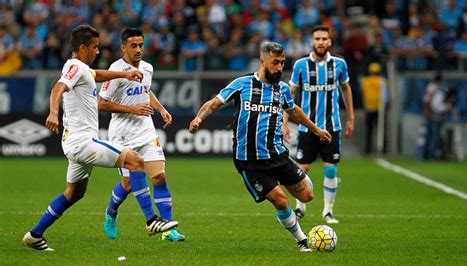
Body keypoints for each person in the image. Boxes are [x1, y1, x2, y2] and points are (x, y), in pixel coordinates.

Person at [22, 25, 178, 251]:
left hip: (75, 143)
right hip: (82, 141)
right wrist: (54, 112)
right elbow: (58, 88)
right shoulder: (74, 66)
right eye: (94, 47)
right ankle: (151, 221)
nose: (97, 51)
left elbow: (98, 75)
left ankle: (35, 234)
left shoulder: (84, 69)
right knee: (135, 161)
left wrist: (125, 74)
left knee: (74, 194)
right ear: (83, 47)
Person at [188, 42, 332, 252]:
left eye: (282, 63)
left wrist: (316, 129)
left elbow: (293, 111)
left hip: (278, 156)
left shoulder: (281, 89)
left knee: (307, 196)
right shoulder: (242, 84)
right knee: (281, 201)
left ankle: (297, 176)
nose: (280, 67)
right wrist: (198, 119)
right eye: (275, 63)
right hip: (250, 162)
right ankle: (302, 240)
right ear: (262, 62)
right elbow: (214, 103)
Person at [98, 28, 185, 241]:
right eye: (133, 46)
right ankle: (111, 212)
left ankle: (168, 229)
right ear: (123, 47)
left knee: (159, 176)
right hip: (122, 136)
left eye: (141, 45)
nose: (138, 50)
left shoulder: (147, 68)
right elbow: (101, 103)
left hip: (145, 131)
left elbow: (146, 91)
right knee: (128, 185)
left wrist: (161, 108)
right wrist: (132, 109)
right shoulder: (115, 70)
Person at [282, 25, 355, 224]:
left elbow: (346, 89)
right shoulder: (301, 65)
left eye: (324, 39)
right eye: (317, 39)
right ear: (311, 42)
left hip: (332, 126)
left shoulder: (339, 64)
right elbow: (290, 95)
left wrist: (351, 117)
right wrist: (285, 122)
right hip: (308, 127)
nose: (321, 42)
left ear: (330, 42)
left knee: (330, 169)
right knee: (302, 169)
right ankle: (300, 207)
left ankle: (328, 212)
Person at [361, 62, 389, 154]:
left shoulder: (365, 81)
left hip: (369, 107)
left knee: (369, 130)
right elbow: (385, 95)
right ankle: (383, 149)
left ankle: (368, 149)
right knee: (381, 129)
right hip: (379, 108)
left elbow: (363, 94)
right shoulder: (382, 81)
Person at [422, 73, 450, 160]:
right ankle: (431, 154)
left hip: (434, 113)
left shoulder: (435, 87)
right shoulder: (434, 88)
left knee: (430, 135)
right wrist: (428, 111)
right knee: (434, 135)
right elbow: (431, 102)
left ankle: (427, 154)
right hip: (434, 114)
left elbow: (427, 101)